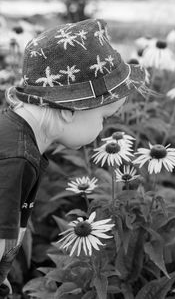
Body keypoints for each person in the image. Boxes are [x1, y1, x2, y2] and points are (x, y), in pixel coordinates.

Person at [0, 18, 146, 297]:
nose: (104, 130)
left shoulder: (17, 138)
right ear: (71, 109)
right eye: (104, 117)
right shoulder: (15, 160)